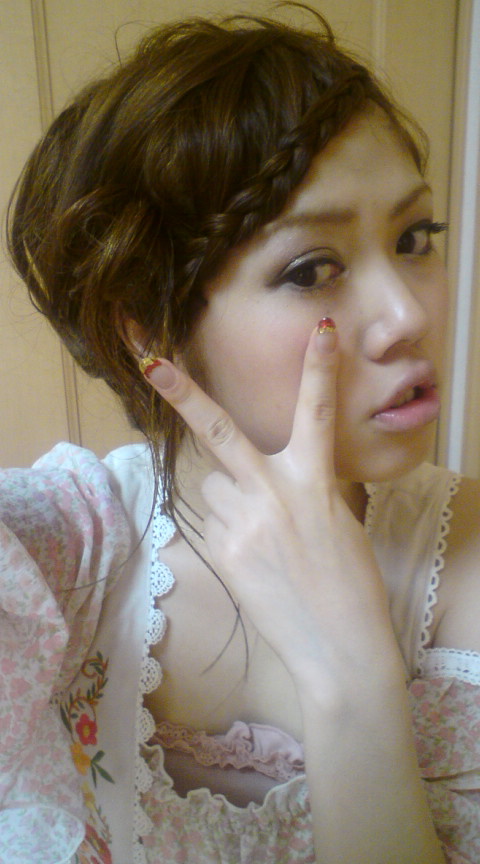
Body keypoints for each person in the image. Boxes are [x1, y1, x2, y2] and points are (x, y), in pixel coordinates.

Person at [1, 8, 479, 864]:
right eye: (313, 268)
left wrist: (351, 675)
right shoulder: (73, 551)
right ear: (150, 329)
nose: (408, 314)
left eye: (415, 238)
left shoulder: (466, 566)